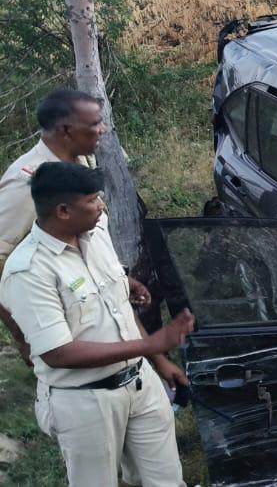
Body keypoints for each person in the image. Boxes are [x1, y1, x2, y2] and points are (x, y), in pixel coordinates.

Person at [0, 162, 194, 486]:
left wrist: (158, 361)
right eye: (92, 200)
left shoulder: (95, 231)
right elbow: (58, 353)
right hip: (85, 402)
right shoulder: (29, 271)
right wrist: (151, 344)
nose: (101, 205)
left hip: (141, 384)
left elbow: (115, 303)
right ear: (63, 211)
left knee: (167, 481)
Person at [0, 90, 150, 368]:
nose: (102, 129)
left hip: (101, 314)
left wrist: (120, 280)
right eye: (94, 124)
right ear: (67, 131)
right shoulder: (27, 183)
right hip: (63, 323)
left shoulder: (82, 161)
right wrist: (23, 334)